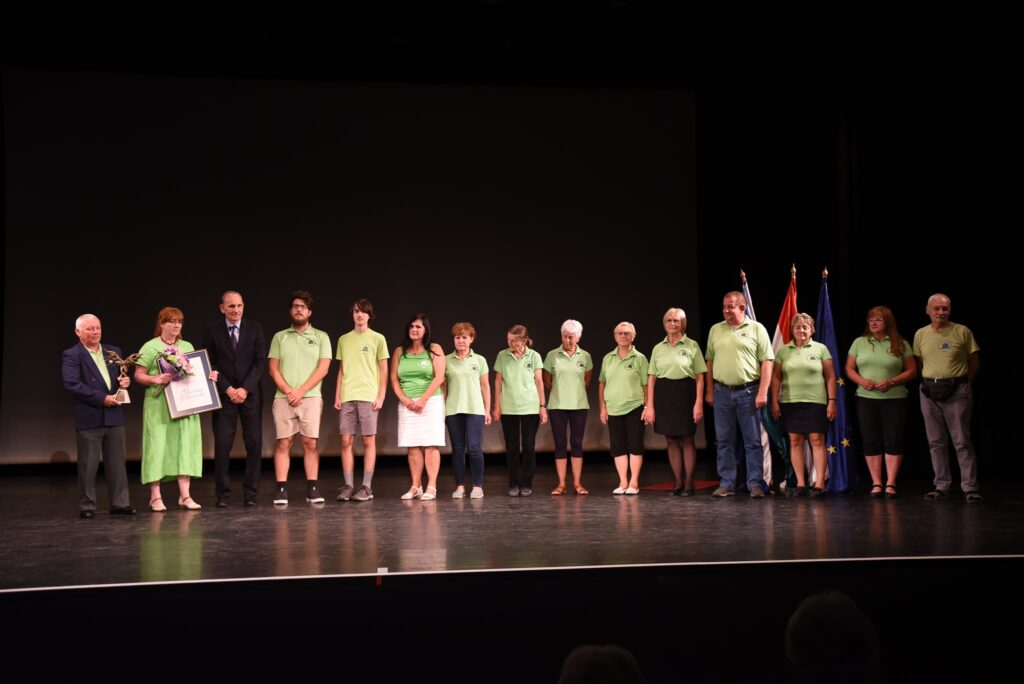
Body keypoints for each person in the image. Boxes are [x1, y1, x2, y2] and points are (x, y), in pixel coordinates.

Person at [133, 307, 218, 511]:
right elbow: (138, 374)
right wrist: (155, 378)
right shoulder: (151, 346)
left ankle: (185, 495)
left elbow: (194, 374)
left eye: (179, 322)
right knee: (157, 446)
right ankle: (155, 497)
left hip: (184, 404)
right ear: (162, 323)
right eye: (171, 321)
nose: (176, 325)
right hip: (159, 406)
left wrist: (208, 376)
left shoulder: (187, 346)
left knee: (184, 445)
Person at [62, 314, 136, 518]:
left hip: (114, 415)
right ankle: (87, 506)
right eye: (90, 329)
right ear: (78, 332)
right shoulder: (72, 355)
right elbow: (73, 384)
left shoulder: (113, 352)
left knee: (117, 464)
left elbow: (119, 377)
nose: (95, 332)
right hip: (90, 415)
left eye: (98, 328)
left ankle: (120, 503)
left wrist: (125, 382)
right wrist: (102, 398)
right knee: (88, 465)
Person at [913, 293, 982, 503]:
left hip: (957, 390)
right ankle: (941, 486)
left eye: (945, 308)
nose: (941, 312)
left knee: (961, 441)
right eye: (937, 308)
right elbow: (919, 362)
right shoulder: (921, 334)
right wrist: (928, 383)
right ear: (928, 310)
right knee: (936, 442)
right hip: (929, 392)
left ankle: (970, 487)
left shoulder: (962, 331)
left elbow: (974, 362)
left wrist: (963, 384)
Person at [704, 291, 774, 498]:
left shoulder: (756, 328)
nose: (726, 310)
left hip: (749, 392)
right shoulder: (716, 329)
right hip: (722, 392)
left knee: (752, 441)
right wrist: (709, 390)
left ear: (743, 308)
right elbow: (709, 362)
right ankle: (727, 483)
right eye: (724, 307)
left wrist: (763, 392)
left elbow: (767, 361)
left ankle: (755, 484)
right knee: (724, 440)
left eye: (731, 307)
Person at [267, 290, 332, 505]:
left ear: (309, 312)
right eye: (295, 306)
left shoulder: (321, 337)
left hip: (310, 397)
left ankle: (312, 488)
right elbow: (273, 369)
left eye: (303, 307)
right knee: (284, 442)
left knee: (310, 442)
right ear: (290, 310)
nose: (298, 310)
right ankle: (281, 489)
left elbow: (323, 369)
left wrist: (301, 391)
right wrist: (289, 391)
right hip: (283, 397)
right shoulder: (280, 336)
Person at [844, 306, 917, 499]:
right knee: (870, 440)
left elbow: (912, 370)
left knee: (893, 440)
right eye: (871, 320)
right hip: (866, 399)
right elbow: (849, 368)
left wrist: (892, 381)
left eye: (878, 319)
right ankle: (876, 482)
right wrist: (862, 381)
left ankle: (891, 483)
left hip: (894, 399)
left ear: (888, 322)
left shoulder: (900, 343)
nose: (874, 323)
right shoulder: (859, 342)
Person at [202, 290, 266, 507]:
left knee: (254, 443)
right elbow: (209, 363)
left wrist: (245, 389)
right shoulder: (212, 330)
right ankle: (223, 495)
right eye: (231, 306)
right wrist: (228, 388)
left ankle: (251, 493)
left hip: (250, 396)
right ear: (222, 308)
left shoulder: (255, 328)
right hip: (224, 395)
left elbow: (259, 363)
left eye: (239, 306)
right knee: (222, 445)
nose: (236, 310)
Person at [771, 313, 837, 497]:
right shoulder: (783, 351)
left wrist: (832, 401)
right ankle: (800, 483)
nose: (801, 330)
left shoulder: (821, 349)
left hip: (816, 402)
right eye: (798, 327)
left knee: (817, 440)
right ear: (792, 330)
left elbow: (831, 377)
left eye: (805, 327)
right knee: (795, 441)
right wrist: (774, 401)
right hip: (790, 402)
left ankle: (820, 484)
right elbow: (776, 378)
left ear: (812, 330)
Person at [645, 307, 706, 496]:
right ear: (664, 324)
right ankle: (678, 481)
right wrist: (650, 405)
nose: (672, 323)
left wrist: (698, 402)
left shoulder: (692, 345)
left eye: (676, 320)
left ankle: (689, 482)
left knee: (687, 438)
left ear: (683, 324)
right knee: (670, 439)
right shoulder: (658, 348)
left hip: (686, 393)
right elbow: (651, 379)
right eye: (669, 320)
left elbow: (700, 377)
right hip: (664, 395)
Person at [333, 298, 389, 502]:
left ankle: (367, 486)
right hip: (348, 395)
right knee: (346, 440)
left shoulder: (378, 339)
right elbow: (341, 369)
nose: (359, 314)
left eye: (363, 311)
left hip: (368, 395)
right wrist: (338, 394)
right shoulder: (344, 339)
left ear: (369, 315)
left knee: (368, 440)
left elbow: (384, 369)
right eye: (356, 311)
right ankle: (348, 485)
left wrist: (381, 396)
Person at [390, 314, 446, 501]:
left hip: (431, 401)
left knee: (430, 444)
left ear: (426, 330)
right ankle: (416, 485)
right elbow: (394, 379)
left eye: (418, 327)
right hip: (407, 402)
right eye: (412, 326)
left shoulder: (434, 349)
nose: (414, 330)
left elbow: (439, 377)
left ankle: (431, 486)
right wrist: (404, 399)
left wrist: (423, 399)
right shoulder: (400, 351)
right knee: (412, 445)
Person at [493, 324, 547, 496]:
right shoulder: (502, 355)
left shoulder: (534, 356)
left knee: (529, 447)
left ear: (523, 341)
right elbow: (498, 382)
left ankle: (527, 483)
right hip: (509, 408)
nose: (510, 343)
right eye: (508, 339)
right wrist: (496, 406)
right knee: (512, 448)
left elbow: (539, 382)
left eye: (514, 340)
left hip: (530, 407)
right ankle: (514, 483)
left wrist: (542, 406)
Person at [543, 319, 594, 495]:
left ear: (578, 337)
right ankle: (561, 484)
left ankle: (577, 484)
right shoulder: (552, 355)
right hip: (557, 405)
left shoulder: (585, 356)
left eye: (571, 337)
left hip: (579, 405)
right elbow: (547, 380)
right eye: (565, 337)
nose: (567, 340)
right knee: (560, 443)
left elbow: (586, 380)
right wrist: (562, 392)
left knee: (577, 443)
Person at [599, 322, 650, 494]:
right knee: (618, 447)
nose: (623, 336)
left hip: (635, 407)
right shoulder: (608, 358)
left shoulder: (640, 358)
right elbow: (602, 383)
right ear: (615, 337)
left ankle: (634, 483)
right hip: (613, 409)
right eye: (620, 333)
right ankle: (623, 482)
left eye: (627, 333)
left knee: (635, 446)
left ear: (633, 336)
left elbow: (646, 385)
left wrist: (647, 406)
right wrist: (603, 407)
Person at [443, 322, 491, 498]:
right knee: (457, 449)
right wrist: (442, 409)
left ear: (471, 339)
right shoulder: (446, 360)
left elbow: (485, 386)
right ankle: (460, 486)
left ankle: (477, 486)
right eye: (457, 337)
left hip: (474, 409)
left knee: (475, 447)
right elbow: (444, 387)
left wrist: (487, 410)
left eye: (464, 337)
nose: (461, 341)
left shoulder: (479, 360)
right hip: (453, 409)